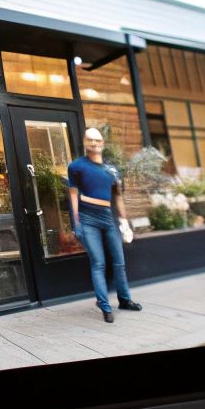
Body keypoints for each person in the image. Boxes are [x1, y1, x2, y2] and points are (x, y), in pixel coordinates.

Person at [67, 128, 141, 322]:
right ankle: (105, 306)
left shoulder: (112, 169)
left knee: (119, 263)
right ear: (84, 142)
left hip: (108, 218)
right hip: (88, 218)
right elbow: (73, 195)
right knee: (98, 263)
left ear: (103, 143)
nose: (94, 143)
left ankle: (125, 300)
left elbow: (118, 196)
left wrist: (124, 223)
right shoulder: (76, 166)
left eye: (98, 140)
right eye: (90, 139)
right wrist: (76, 223)